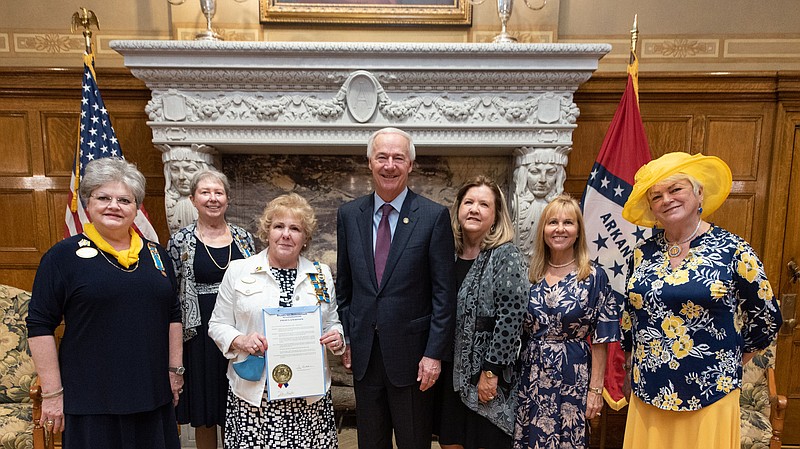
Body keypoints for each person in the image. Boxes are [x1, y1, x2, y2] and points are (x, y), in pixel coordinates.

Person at [619, 152, 782, 449]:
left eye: (675, 189)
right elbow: (630, 319)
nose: (666, 199)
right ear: (652, 209)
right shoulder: (642, 253)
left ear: (699, 193)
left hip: (711, 392)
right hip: (649, 390)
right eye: (656, 196)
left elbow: (767, 317)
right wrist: (631, 371)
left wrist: (729, 360)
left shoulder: (732, 249)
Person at [26, 157, 182, 449]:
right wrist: (51, 393)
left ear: (136, 208)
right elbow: (39, 325)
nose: (114, 205)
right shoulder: (62, 257)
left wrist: (175, 372)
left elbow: (173, 313)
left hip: (151, 394)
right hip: (92, 398)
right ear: (87, 204)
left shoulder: (156, 255)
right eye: (104, 197)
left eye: (125, 199)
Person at [336, 127, 457, 449]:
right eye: (382, 157)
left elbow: (444, 294)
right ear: (370, 162)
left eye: (398, 158)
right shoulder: (349, 215)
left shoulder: (433, 216)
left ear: (410, 165)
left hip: (414, 357)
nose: (390, 165)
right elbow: (344, 285)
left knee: (413, 441)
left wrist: (433, 354)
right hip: (364, 354)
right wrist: (348, 337)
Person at [208, 193, 345, 449]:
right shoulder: (239, 271)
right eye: (279, 226)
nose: (286, 234)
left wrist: (337, 339)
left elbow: (332, 322)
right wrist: (241, 340)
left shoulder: (320, 274)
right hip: (255, 398)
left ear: (304, 238)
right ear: (267, 231)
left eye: (295, 228)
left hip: (308, 399)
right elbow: (217, 325)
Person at [514, 194, 618, 449]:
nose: (560, 229)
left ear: (578, 231)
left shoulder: (594, 276)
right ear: (543, 230)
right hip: (531, 375)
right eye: (553, 222)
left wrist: (595, 391)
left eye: (568, 223)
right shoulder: (530, 273)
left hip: (573, 374)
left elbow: (602, 338)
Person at [436, 176, 528, 449]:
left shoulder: (505, 255)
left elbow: (511, 319)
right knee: (450, 442)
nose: (474, 209)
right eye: (469, 202)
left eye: (483, 204)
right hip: (450, 374)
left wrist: (490, 373)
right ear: (458, 208)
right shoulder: (447, 254)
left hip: (486, 376)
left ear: (496, 215)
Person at [167, 169, 256, 449]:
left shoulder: (244, 238)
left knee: (237, 404)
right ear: (193, 199)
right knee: (205, 412)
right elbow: (172, 294)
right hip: (200, 336)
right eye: (205, 192)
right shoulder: (180, 241)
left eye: (218, 193)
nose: (212, 198)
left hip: (239, 332)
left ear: (228, 199)